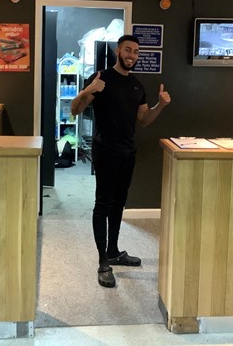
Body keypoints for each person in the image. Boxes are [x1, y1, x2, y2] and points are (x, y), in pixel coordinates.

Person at [71, 34, 171, 288]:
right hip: (105, 151)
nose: (132, 55)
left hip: (128, 152)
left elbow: (144, 120)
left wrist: (161, 105)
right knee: (103, 204)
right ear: (118, 51)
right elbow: (75, 109)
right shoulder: (101, 78)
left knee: (119, 204)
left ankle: (114, 251)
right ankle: (103, 261)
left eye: (136, 52)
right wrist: (87, 90)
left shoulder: (137, 85)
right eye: (128, 50)